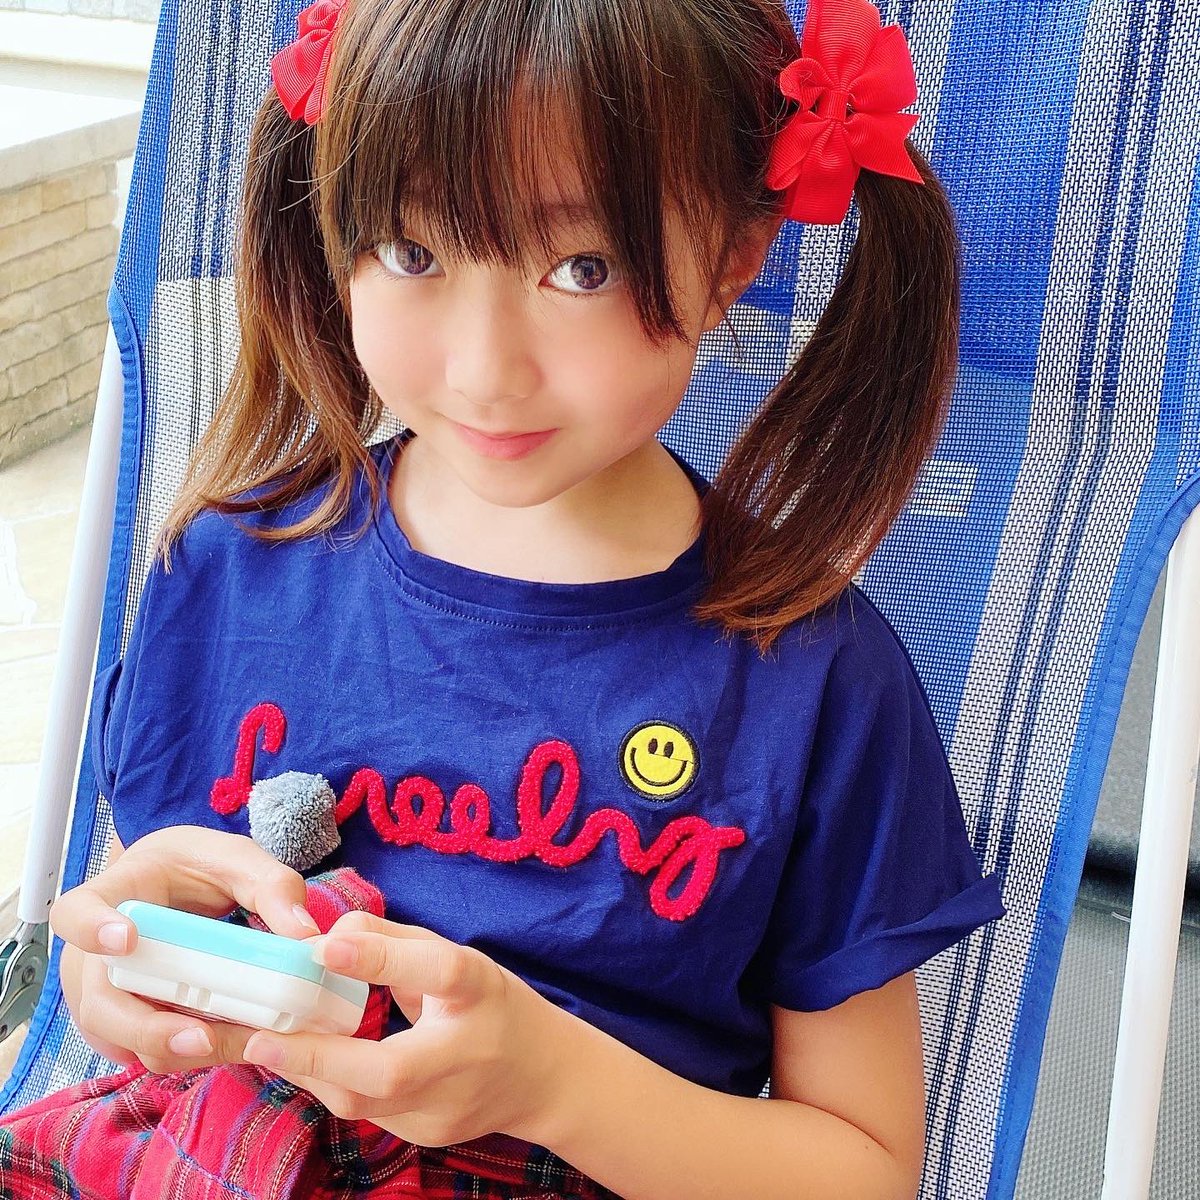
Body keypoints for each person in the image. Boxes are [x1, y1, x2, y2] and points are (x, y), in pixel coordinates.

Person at [0, 0, 1006, 1196]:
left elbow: (864, 1168)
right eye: (411, 252)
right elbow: (157, 940)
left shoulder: (818, 684)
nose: (484, 370)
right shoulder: (228, 573)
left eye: (583, 269)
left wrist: (555, 1086)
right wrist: (111, 970)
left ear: (735, 257)